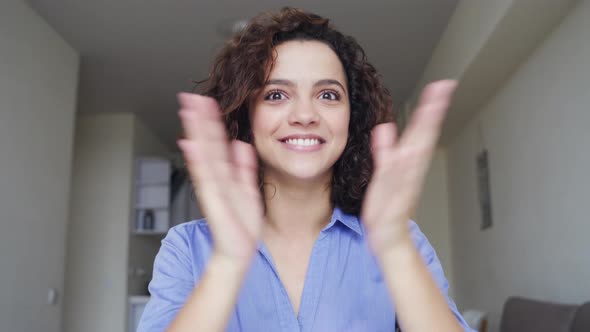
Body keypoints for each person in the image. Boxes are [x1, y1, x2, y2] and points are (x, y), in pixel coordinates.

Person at [138, 7, 475, 332]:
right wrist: (227, 263)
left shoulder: (403, 239)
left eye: (328, 94)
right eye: (276, 95)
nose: (305, 114)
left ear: (351, 117)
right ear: (246, 116)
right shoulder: (185, 247)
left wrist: (396, 250)